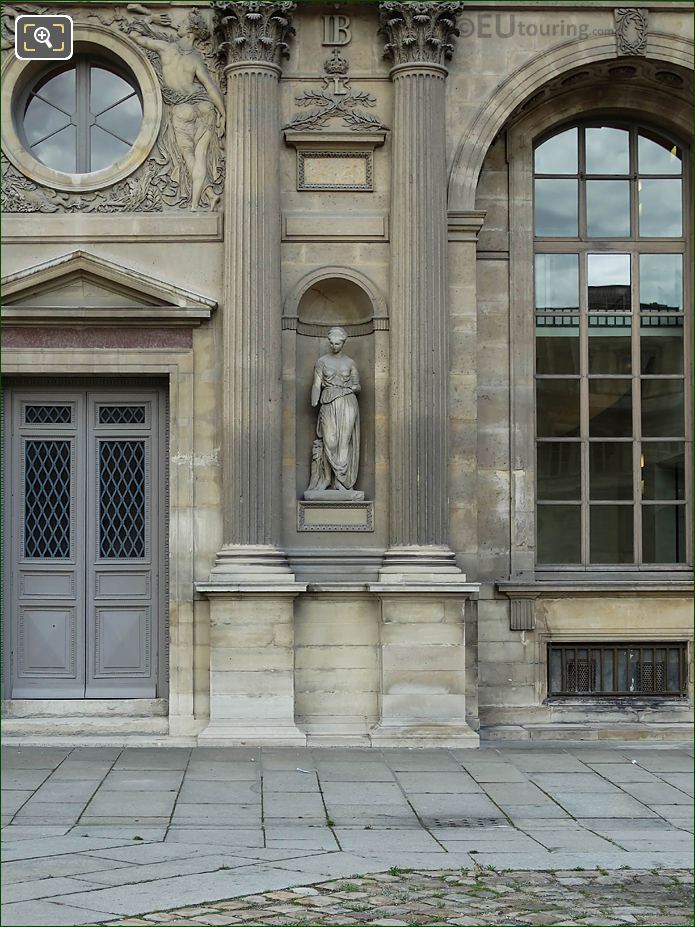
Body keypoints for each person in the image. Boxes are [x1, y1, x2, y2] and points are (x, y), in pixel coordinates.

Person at [125, 15, 225, 209]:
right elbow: (210, 87)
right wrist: (223, 113)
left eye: (183, 23)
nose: (178, 24)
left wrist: (151, 18)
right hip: (204, 105)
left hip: (182, 108)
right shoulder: (195, 59)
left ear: (189, 31)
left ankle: (195, 206)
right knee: (201, 155)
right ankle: (209, 195)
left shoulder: (166, 48)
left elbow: (135, 35)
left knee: (189, 156)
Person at [307, 327, 361, 493]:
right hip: (328, 402)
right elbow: (316, 384)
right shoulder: (322, 362)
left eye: (337, 343)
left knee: (344, 442)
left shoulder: (350, 363)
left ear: (343, 343)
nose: (334, 346)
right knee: (329, 441)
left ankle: (341, 481)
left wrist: (350, 388)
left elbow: (357, 385)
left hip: (347, 402)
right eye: (331, 343)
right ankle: (326, 478)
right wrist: (314, 398)